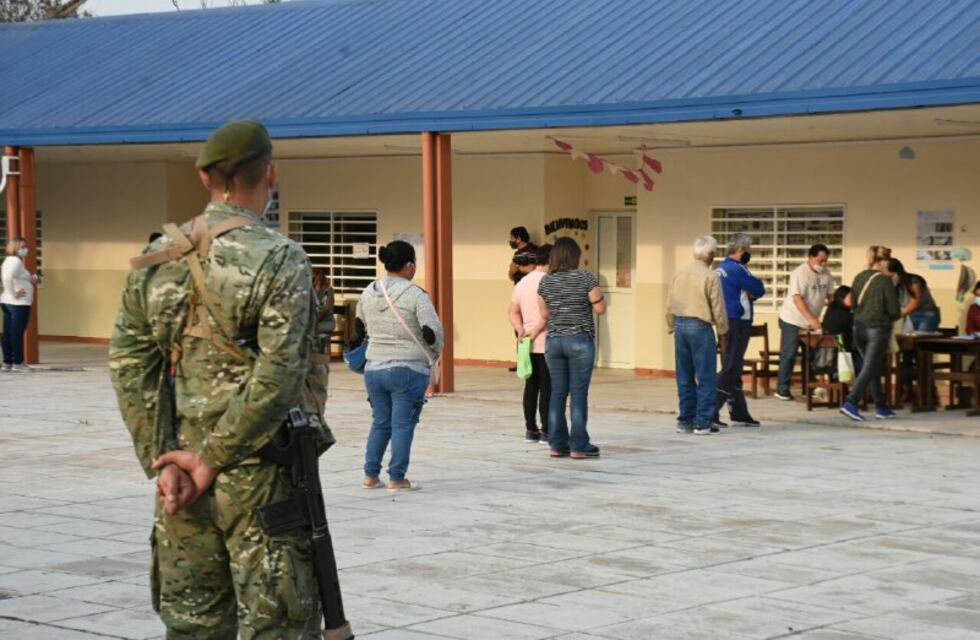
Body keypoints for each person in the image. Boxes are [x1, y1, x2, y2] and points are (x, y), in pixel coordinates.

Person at [109, 120, 335, 638]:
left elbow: (129, 366)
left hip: (180, 480)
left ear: (205, 178)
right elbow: (280, 375)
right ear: (270, 174)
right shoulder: (279, 257)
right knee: (278, 625)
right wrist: (211, 460)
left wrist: (164, 458)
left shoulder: (156, 258)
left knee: (194, 626)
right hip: (262, 477)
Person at [352, 240, 444, 491]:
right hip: (408, 369)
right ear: (410, 265)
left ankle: (370, 476)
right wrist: (434, 354)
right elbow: (433, 333)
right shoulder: (416, 295)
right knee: (403, 424)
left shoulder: (368, 292)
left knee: (380, 422)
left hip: (374, 368)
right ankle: (397, 477)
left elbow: (359, 328)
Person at [532, 237, 605, 458]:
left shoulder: (546, 281)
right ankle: (579, 445)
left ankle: (557, 444)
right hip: (580, 340)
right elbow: (600, 308)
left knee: (557, 393)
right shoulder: (585, 278)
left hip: (554, 342)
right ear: (575, 256)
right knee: (578, 393)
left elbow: (544, 314)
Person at [666, 235, 729, 435]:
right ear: (710, 254)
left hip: (680, 324)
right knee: (706, 376)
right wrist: (722, 332)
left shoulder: (679, 273)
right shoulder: (711, 276)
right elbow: (718, 307)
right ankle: (702, 421)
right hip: (700, 326)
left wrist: (671, 324)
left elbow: (670, 302)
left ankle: (685, 420)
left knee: (684, 376)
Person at [840, 246, 901, 422]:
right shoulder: (884, 281)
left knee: (872, 366)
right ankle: (851, 402)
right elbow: (894, 310)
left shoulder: (859, 277)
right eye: (888, 261)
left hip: (858, 328)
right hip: (878, 329)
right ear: (883, 261)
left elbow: (852, 303)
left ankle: (881, 406)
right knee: (869, 367)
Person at [713, 233, 765, 427]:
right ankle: (709, 410)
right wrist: (752, 292)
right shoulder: (737, 269)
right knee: (731, 367)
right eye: (747, 250)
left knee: (733, 367)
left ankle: (739, 413)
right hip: (737, 321)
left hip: (724, 320)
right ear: (740, 250)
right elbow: (758, 288)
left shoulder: (720, 269)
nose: (749, 253)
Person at [774, 243, 834, 401]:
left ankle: (809, 388)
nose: (823, 264)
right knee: (789, 354)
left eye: (825, 261)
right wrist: (812, 320)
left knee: (810, 356)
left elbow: (831, 297)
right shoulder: (800, 273)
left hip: (811, 323)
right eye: (820, 261)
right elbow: (797, 299)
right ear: (810, 257)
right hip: (792, 319)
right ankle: (782, 389)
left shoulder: (827, 274)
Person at [509, 244, 552, 442]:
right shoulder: (550, 281)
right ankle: (546, 430)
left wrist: (520, 329)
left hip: (526, 343)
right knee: (547, 387)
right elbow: (548, 314)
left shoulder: (523, 282)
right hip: (546, 342)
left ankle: (530, 429)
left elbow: (512, 311)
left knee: (531, 386)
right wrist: (537, 330)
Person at [1, 237, 38, 372]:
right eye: (23, 247)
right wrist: (14, 294)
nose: (25, 249)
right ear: (16, 248)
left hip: (9, 302)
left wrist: (32, 279)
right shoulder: (15, 261)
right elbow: (7, 278)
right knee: (16, 333)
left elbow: (17, 278)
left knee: (8, 333)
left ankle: (8, 362)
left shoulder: (9, 261)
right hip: (18, 304)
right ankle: (18, 363)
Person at [890, 258, 941, 332]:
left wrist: (894, 316)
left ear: (898, 273)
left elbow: (914, 304)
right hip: (910, 316)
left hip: (926, 314)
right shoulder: (893, 285)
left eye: (891, 276)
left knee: (921, 337)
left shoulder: (913, 281)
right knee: (907, 337)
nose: (889, 279)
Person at [311, 266, 336, 410]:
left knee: (311, 330)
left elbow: (326, 308)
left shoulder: (328, 290)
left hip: (326, 322)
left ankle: (319, 357)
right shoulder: (309, 289)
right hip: (313, 322)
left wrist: (314, 321)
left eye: (314, 276)